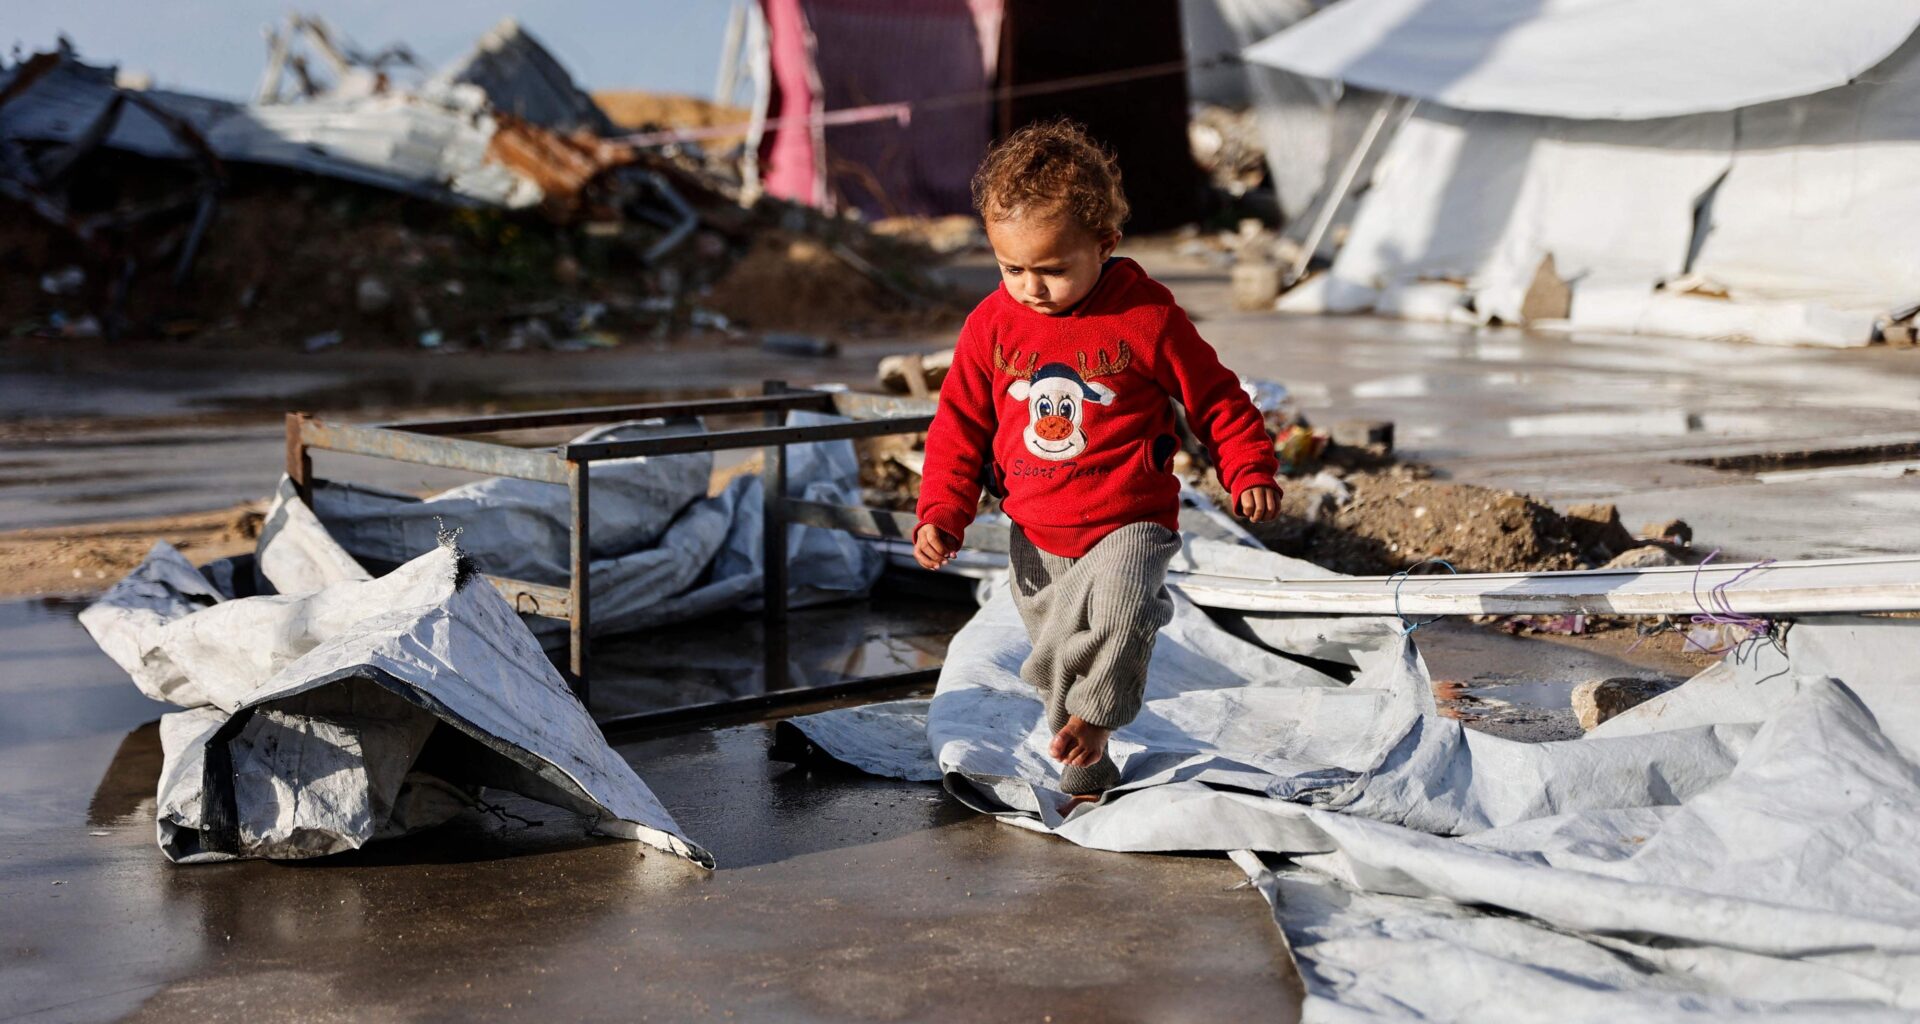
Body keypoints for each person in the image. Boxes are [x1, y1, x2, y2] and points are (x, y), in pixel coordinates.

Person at [912, 119, 1283, 803]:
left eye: (1053, 270)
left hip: (1129, 519)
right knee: (1057, 658)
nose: (1031, 287)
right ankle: (1086, 766)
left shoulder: (1145, 317)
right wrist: (942, 510)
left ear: (1104, 244)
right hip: (1036, 532)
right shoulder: (991, 326)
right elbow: (959, 425)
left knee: (1121, 608)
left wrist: (1248, 466)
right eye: (1011, 268)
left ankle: (1098, 718)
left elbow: (1216, 398)